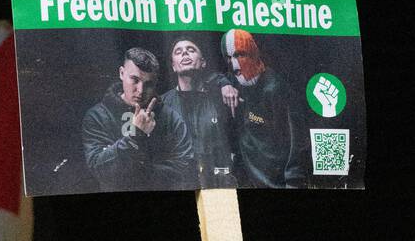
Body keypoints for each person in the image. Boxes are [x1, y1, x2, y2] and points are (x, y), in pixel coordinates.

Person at [81, 47, 194, 191]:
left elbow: (186, 168)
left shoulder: (171, 117)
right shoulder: (97, 116)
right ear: (122, 73)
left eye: (148, 84)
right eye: (135, 80)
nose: (140, 90)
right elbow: (100, 169)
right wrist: (136, 134)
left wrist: (136, 174)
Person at [221, 30, 308, 188]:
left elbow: (297, 143)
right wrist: (224, 85)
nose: (234, 64)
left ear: (253, 54)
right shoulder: (233, 83)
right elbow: (211, 77)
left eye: (239, 55)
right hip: (246, 181)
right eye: (228, 57)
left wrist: (293, 184)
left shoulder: (275, 88)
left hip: (276, 183)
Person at [159, 38, 239, 187]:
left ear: (203, 62)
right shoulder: (162, 105)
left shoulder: (222, 98)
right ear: (173, 66)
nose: (184, 53)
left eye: (191, 50)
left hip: (219, 185)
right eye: (178, 52)